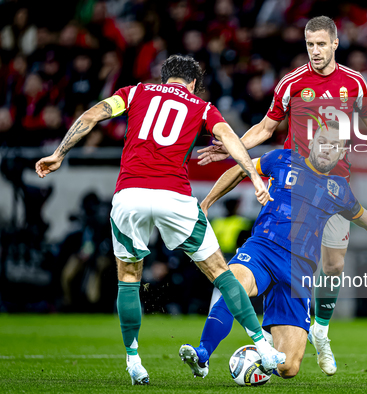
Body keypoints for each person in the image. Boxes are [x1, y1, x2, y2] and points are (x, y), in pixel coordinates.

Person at [34, 55, 285, 385]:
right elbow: (229, 139)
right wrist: (252, 176)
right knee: (221, 274)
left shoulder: (135, 92)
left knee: (128, 278)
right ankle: (262, 347)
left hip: (129, 195)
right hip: (175, 197)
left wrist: (59, 152)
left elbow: (93, 114)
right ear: (193, 82)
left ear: (164, 77)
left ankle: (134, 360)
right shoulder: (202, 106)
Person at [196, 15, 367, 376]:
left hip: (334, 185)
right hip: (293, 179)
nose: (315, 51)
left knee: (334, 266)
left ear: (335, 44)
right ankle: (272, 334)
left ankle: (321, 331)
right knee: (278, 258)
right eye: (310, 44)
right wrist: (232, 147)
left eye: (321, 44)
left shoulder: (354, 82)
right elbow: (267, 127)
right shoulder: (292, 82)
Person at [179, 120, 367, 379]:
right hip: (262, 250)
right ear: (311, 144)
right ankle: (202, 354)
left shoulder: (339, 190)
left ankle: (260, 350)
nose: (326, 149)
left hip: (299, 270)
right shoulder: (282, 159)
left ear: (342, 153)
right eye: (322, 142)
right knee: (233, 284)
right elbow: (242, 169)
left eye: (335, 146)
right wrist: (206, 203)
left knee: (288, 368)